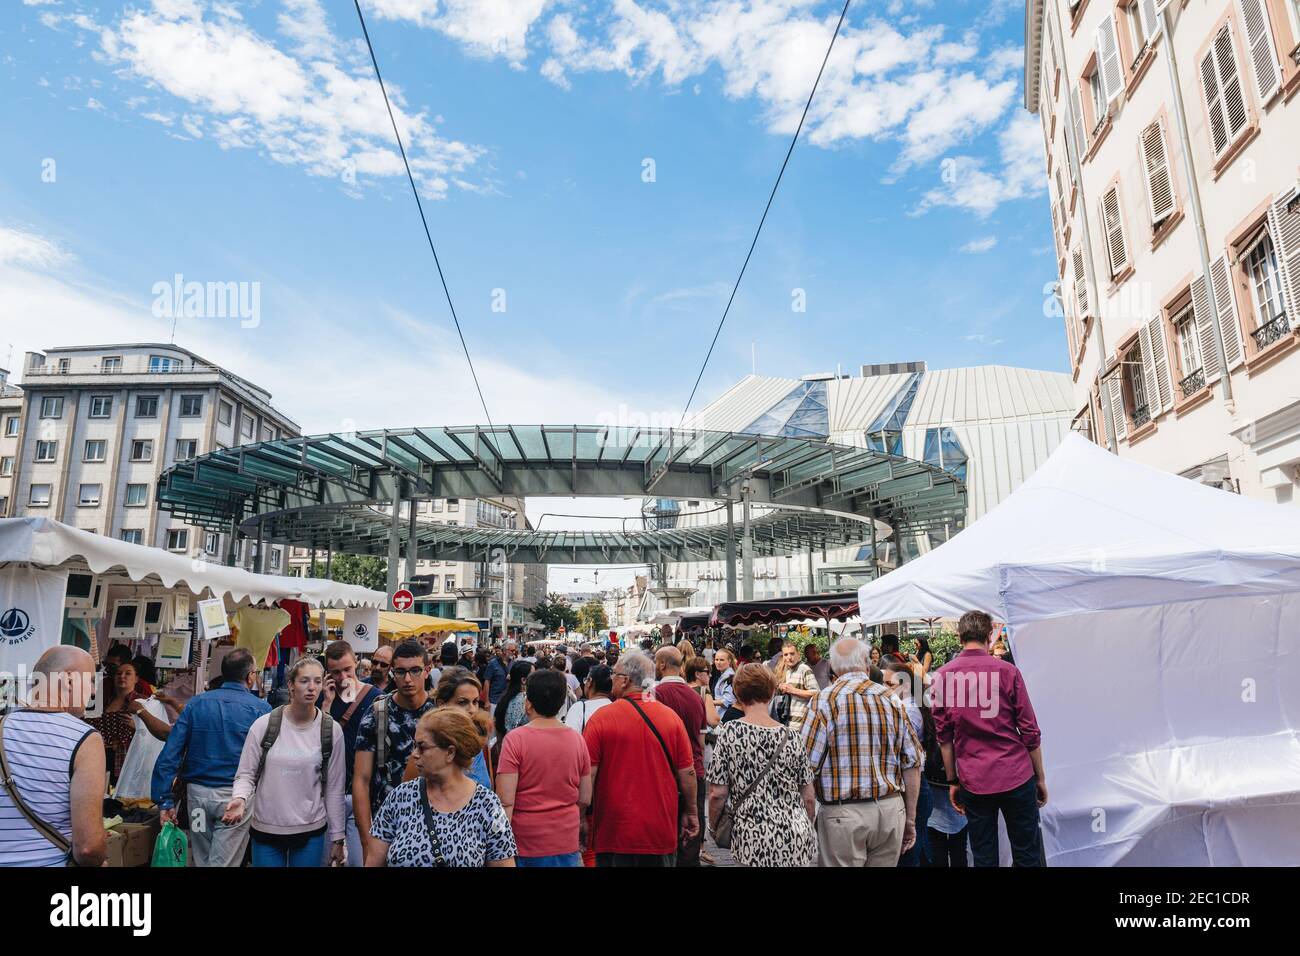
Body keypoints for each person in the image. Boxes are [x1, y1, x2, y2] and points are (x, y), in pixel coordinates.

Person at [933, 611, 1045, 867]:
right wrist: (1040, 777)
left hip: (974, 778)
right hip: (1016, 773)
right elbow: (1030, 732)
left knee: (983, 857)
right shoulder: (1008, 672)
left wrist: (952, 781)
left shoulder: (942, 677)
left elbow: (945, 738)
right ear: (990, 635)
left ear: (959, 636)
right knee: (1027, 854)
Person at [801, 638, 922, 867]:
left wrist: (807, 817)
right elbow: (912, 762)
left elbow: (806, 766)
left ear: (833, 668)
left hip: (842, 814)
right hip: (889, 809)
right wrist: (911, 818)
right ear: (867, 664)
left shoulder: (824, 701)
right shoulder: (892, 700)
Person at [152, 647, 270, 866]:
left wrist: (163, 799)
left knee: (202, 857)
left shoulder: (196, 704)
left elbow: (171, 752)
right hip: (235, 799)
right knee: (222, 862)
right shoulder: (261, 709)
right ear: (250, 675)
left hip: (197, 799)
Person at [225, 658, 346, 867]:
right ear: (291, 685)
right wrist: (240, 798)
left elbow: (335, 787)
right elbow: (246, 774)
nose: (311, 688)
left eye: (317, 681)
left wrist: (338, 837)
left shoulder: (331, 730)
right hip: (266, 829)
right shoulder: (264, 725)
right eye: (304, 681)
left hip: (311, 830)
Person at [582, 650, 698, 867]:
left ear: (625, 681)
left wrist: (580, 817)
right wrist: (692, 812)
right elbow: (687, 772)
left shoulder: (601, 719)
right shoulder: (670, 718)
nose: (611, 680)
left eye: (614, 675)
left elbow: (589, 774)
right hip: (659, 830)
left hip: (614, 831)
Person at [365, 709, 516, 867]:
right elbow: (373, 861)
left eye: (422, 747)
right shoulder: (400, 797)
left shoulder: (487, 804)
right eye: (415, 746)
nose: (414, 754)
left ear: (450, 752)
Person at [0, 647, 107, 867]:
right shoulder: (85, 739)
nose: (94, 692)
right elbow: (88, 847)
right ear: (68, 680)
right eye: (90, 681)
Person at [707, 664, 816, 868]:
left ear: (737, 692)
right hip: (794, 835)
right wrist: (807, 825)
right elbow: (808, 797)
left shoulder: (730, 732)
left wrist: (713, 827)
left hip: (752, 837)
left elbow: (717, 793)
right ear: (772, 691)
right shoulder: (792, 737)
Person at [495, 670, 592, 867]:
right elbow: (584, 797)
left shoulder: (515, 739)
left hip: (525, 841)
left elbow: (505, 800)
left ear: (528, 703)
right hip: (565, 839)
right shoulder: (576, 739)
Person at [353, 640, 436, 861]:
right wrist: (366, 840)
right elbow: (361, 779)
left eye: (415, 671)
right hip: (387, 826)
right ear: (392, 673)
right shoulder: (378, 713)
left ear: (427, 671)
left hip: (435, 825)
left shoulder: (441, 713)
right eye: (401, 672)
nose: (408, 679)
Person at [319, 640, 382, 866]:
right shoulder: (323, 698)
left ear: (356, 663)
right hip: (329, 792)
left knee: (359, 861)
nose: (343, 676)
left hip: (362, 793)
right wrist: (325, 706)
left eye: (347, 669)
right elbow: (315, 744)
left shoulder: (376, 698)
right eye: (336, 672)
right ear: (328, 673)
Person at [653, 646, 707, 867]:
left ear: (662, 665)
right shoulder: (696, 697)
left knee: (665, 840)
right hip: (695, 772)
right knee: (690, 843)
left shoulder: (654, 695)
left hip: (665, 774)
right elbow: (701, 742)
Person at [883, 659, 932, 867]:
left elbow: (902, 755)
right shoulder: (908, 704)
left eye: (890, 684)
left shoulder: (908, 709)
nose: (884, 688)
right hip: (915, 785)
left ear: (905, 684)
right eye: (883, 682)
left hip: (914, 785)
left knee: (909, 849)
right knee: (917, 845)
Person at [434, 668, 493, 789]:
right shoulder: (428, 745)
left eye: (475, 702)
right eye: (462, 702)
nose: (472, 709)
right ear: (441, 704)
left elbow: (489, 786)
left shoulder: (478, 738)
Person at [85, 659, 142, 783]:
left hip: (126, 762)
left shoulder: (143, 702)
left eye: (128, 673)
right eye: (118, 673)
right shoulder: (104, 701)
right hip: (99, 759)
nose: (122, 676)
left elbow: (153, 735)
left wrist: (137, 727)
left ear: (136, 679)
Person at [772, 642, 819, 734]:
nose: (789, 657)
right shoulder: (788, 671)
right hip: (788, 722)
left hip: (801, 724)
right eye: (786, 654)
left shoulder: (804, 669)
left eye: (792, 653)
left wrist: (793, 690)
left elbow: (817, 693)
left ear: (798, 655)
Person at [564, 663, 613, 732]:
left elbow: (569, 738)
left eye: (586, 680)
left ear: (589, 681)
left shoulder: (579, 708)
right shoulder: (617, 710)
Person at [494, 661, 533, 740]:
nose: (537, 678)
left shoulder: (508, 696)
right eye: (533, 675)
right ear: (524, 680)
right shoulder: (521, 700)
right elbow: (511, 731)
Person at [484, 641, 514, 708]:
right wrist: (486, 701)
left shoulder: (512, 663)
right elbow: (487, 681)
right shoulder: (493, 663)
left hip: (507, 700)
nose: (513, 652)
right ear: (504, 650)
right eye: (512, 650)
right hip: (494, 700)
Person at [712, 648, 737, 715]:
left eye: (722, 660)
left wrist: (709, 702)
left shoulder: (730, 676)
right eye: (716, 660)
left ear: (729, 661)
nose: (718, 662)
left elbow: (728, 701)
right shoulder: (724, 674)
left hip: (725, 715)